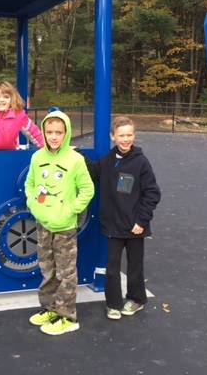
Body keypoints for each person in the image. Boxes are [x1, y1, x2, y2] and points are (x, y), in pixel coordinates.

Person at [25, 109, 94, 335]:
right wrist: (35, 206)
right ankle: (50, 308)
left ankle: (67, 317)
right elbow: (31, 185)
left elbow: (87, 189)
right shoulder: (37, 157)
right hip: (43, 223)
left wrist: (70, 211)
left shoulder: (75, 160)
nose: (54, 136)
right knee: (47, 268)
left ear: (67, 134)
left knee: (66, 272)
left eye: (59, 132)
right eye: (50, 132)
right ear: (43, 132)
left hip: (65, 227)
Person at [86, 116, 161, 320]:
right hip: (114, 226)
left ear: (134, 136)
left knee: (135, 266)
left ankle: (136, 299)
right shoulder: (108, 161)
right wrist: (76, 156)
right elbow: (93, 172)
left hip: (135, 226)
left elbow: (152, 194)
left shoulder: (141, 162)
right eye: (121, 136)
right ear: (113, 137)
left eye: (129, 135)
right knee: (112, 268)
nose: (125, 139)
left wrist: (142, 221)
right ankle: (113, 304)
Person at [0, 80, 44, 167]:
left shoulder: (18, 115)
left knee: (9, 176)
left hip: (9, 156)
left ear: (12, 99)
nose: (1, 100)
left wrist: (47, 147)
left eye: (6, 97)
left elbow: (34, 132)